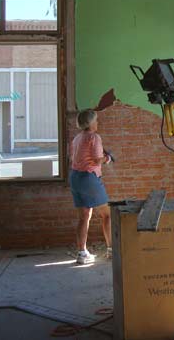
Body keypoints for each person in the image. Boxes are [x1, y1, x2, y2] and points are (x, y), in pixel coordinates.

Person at [69, 109, 112, 265]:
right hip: (89, 178)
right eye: (96, 120)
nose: (98, 123)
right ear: (91, 123)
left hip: (75, 178)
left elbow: (75, 157)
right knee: (107, 214)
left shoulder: (77, 138)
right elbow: (97, 159)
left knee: (84, 216)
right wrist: (107, 158)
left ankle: (82, 253)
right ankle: (111, 251)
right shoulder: (94, 137)